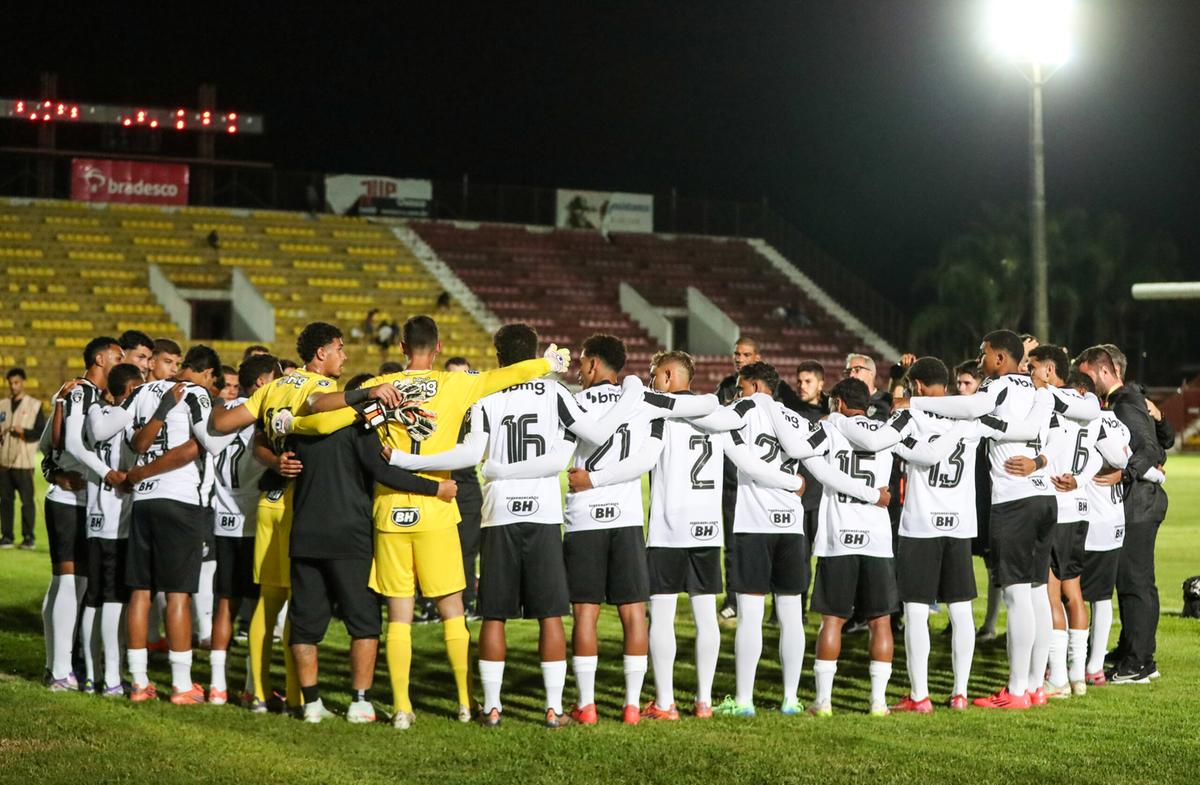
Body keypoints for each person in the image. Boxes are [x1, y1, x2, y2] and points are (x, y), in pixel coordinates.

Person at [281, 315, 572, 728]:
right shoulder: (457, 384)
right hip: (437, 508)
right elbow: (506, 375)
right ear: (437, 349)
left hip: (390, 511)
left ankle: (402, 708)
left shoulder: (381, 388)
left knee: (399, 616)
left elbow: (319, 412)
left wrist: (286, 426)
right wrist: (547, 363)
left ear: (401, 348)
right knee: (453, 609)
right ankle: (466, 704)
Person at [574, 351, 806, 720]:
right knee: (705, 616)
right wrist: (791, 482)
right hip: (707, 529)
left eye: (653, 374)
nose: (649, 380)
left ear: (667, 375)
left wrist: (595, 478)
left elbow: (645, 460)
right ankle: (704, 701)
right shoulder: (716, 417)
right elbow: (745, 459)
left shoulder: (659, 413)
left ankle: (665, 702)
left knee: (662, 615)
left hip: (668, 528)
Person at [207, 322, 364, 713]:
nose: (344, 355)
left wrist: (275, 458)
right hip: (304, 505)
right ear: (321, 353)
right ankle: (299, 698)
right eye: (339, 348)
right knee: (302, 605)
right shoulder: (323, 390)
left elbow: (222, 425)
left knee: (268, 602)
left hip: (269, 501)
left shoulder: (274, 387)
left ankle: (256, 693)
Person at [896, 330, 1055, 710]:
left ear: (1000, 358)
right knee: (1036, 595)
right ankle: (1035, 685)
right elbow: (1045, 436)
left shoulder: (999, 387)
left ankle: (1017, 691)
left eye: (984, 355)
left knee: (1018, 596)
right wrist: (1039, 460)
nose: (979, 361)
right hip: (1044, 497)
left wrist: (914, 404)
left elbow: (970, 410)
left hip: (1013, 500)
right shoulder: (1040, 392)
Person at [287, 372, 456, 724]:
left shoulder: (303, 426)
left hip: (304, 534)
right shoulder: (359, 428)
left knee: (304, 625)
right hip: (350, 536)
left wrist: (274, 460)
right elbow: (383, 472)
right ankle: (360, 703)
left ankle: (312, 704)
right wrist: (434, 490)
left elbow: (277, 465)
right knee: (364, 623)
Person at [714, 363, 881, 717]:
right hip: (791, 524)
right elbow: (815, 453)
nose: (738, 392)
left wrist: (788, 482)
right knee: (791, 614)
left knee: (750, 615)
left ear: (756, 384)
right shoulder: (794, 418)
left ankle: (744, 700)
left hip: (754, 524)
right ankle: (790, 698)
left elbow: (742, 459)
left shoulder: (741, 410)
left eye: (742, 386)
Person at [124, 345, 238, 704]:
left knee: (140, 591)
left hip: (142, 499)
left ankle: (139, 683)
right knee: (177, 593)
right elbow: (203, 445)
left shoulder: (140, 392)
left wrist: (141, 472)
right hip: (179, 498)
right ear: (205, 374)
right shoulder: (195, 393)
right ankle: (181, 685)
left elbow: (131, 442)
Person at [887, 358, 985, 713]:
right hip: (959, 524)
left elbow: (919, 453)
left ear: (918, 386)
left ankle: (920, 695)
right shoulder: (969, 417)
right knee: (961, 611)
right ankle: (959, 693)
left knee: (915, 612)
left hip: (922, 524)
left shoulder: (911, 416)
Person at [1076, 344, 1169, 683]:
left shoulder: (1125, 403)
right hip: (1141, 500)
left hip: (1140, 502)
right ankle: (1134, 649)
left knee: (1135, 583)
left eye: (1086, 375)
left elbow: (1150, 449)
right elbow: (1165, 439)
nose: (1083, 384)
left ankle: (1140, 663)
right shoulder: (1130, 399)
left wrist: (1124, 473)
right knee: (1134, 581)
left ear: (1103, 371)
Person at [805, 378, 897, 716]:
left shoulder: (830, 429)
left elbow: (809, 458)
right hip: (877, 537)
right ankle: (878, 703)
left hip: (838, 535)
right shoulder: (886, 432)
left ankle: (823, 702)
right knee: (880, 622)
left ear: (840, 403)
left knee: (832, 620)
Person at [41, 336, 125, 690]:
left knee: (72, 583)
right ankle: (60, 670)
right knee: (70, 582)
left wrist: (53, 469)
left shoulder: (77, 393)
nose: (120, 361)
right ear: (101, 358)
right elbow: (68, 444)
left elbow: (47, 444)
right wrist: (103, 474)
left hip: (78, 497)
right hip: (68, 499)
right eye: (117, 356)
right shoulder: (80, 392)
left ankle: (55, 666)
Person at [1027, 346, 1103, 699]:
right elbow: (1099, 455)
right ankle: (1078, 676)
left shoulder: (1050, 401)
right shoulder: (1087, 408)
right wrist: (1082, 480)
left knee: (1050, 593)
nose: (1030, 372)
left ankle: (1057, 677)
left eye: (1034, 366)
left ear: (1049, 369)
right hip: (1080, 507)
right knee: (1075, 593)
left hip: (1055, 506)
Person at [713, 337, 803, 620]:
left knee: (753, 609)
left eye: (746, 354)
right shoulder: (729, 387)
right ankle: (734, 600)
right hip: (773, 502)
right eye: (736, 353)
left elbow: (716, 425)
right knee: (790, 610)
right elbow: (811, 445)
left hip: (760, 497)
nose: (739, 358)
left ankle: (763, 605)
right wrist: (797, 481)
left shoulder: (751, 404)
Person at [207, 354, 277, 706]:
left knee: (225, 605)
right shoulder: (263, 413)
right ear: (262, 383)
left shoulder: (220, 413)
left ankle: (217, 687)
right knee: (257, 608)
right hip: (255, 519)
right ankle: (253, 685)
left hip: (222, 517)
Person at [443, 357, 482, 619]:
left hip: (466, 490)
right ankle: (431, 604)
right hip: (438, 487)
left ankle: (468, 602)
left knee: (466, 552)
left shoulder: (479, 408)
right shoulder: (438, 408)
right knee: (438, 552)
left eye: (464, 375)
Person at [0, 368, 45, 549]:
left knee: (27, 502)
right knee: (5, 501)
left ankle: (28, 538)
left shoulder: (35, 405)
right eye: (11, 383)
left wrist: (23, 432)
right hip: (3, 462)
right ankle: (7, 536)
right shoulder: (2, 404)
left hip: (24, 462)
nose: (13, 386)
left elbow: (40, 432)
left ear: (23, 382)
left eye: (16, 382)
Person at [844, 353, 891, 422]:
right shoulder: (842, 403)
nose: (851, 375)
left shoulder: (888, 400)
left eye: (857, 370)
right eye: (848, 372)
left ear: (871, 373)